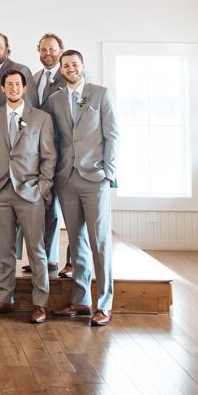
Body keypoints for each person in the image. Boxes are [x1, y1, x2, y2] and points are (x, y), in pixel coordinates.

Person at [45, 50, 119, 327]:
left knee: (100, 241)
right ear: (61, 69)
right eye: (66, 65)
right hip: (67, 179)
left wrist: (107, 172)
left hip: (95, 178)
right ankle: (81, 300)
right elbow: (53, 139)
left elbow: (113, 135)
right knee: (76, 241)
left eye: (75, 64)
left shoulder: (100, 94)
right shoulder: (55, 100)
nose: (71, 68)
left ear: (82, 66)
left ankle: (105, 303)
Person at [0, 70, 56, 323]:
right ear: (2, 88)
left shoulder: (41, 118)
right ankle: (4, 298)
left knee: (36, 249)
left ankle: (40, 303)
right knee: (5, 249)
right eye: (8, 84)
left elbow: (49, 156)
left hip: (30, 192)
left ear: (24, 89)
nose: (13, 88)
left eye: (17, 84)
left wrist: (42, 188)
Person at [0, 31, 38, 272]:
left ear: (7, 48)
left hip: (16, 147)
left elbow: (29, 108)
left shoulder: (20, 70)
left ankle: (7, 256)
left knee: (16, 202)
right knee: (1, 202)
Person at [31, 32, 69, 276]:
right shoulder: (33, 78)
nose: (48, 54)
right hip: (39, 152)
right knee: (46, 205)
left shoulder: (70, 75)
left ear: (61, 50)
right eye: (43, 50)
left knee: (70, 210)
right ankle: (48, 257)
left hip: (64, 151)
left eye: (52, 50)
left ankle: (71, 261)